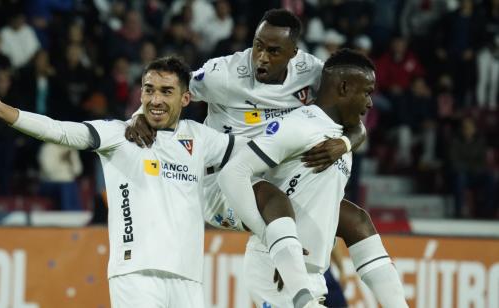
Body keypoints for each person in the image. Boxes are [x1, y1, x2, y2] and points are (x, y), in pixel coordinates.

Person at [127, 9, 406, 308]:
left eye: (274, 51)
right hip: (223, 185)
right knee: (274, 199)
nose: (261, 57)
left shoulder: (311, 72)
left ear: (293, 53)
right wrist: (139, 115)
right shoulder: (224, 74)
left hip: (271, 174)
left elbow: (350, 109)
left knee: (356, 220)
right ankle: (300, 293)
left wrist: (344, 142)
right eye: (258, 45)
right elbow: (172, 92)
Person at [0, 56, 241, 308]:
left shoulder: (200, 138)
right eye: (149, 89)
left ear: (185, 98)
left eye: (166, 91)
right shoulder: (120, 135)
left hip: (189, 277)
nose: (155, 100)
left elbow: (256, 152)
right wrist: (6, 112)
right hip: (135, 274)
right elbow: (60, 131)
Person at [219, 49, 407, 308]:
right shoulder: (300, 125)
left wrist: (346, 141)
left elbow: (322, 204)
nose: (370, 103)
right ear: (343, 87)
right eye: (367, 92)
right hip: (277, 272)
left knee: (358, 220)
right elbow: (233, 173)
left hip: (313, 275)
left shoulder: (339, 136)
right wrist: (270, 240)